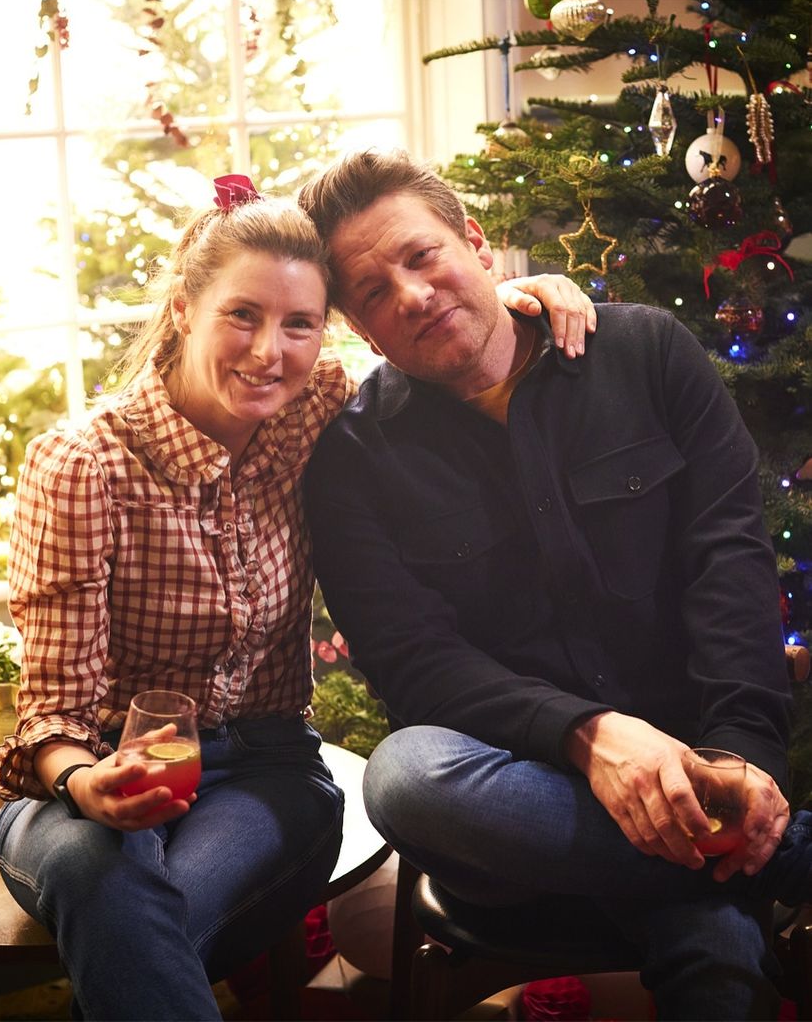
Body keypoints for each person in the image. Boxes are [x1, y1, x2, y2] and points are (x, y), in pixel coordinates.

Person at [0, 173, 594, 1021]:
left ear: (325, 332)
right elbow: (51, 712)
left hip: (264, 771)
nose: (268, 351)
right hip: (85, 783)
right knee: (103, 879)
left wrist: (522, 295)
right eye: (242, 314)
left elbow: (438, 336)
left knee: (133, 922)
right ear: (182, 310)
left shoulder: (318, 407)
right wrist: (88, 782)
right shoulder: (85, 465)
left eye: (298, 324)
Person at [298, 149, 812, 1020]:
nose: (413, 295)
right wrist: (592, 738)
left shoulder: (646, 353)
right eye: (374, 292)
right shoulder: (350, 458)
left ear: (478, 243)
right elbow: (417, 666)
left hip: (703, 765)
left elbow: (728, 568)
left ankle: (709, 876)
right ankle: (779, 857)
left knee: (707, 943)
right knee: (404, 774)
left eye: (421, 257)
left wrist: (737, 760)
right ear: (358, 328)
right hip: (522, 823)